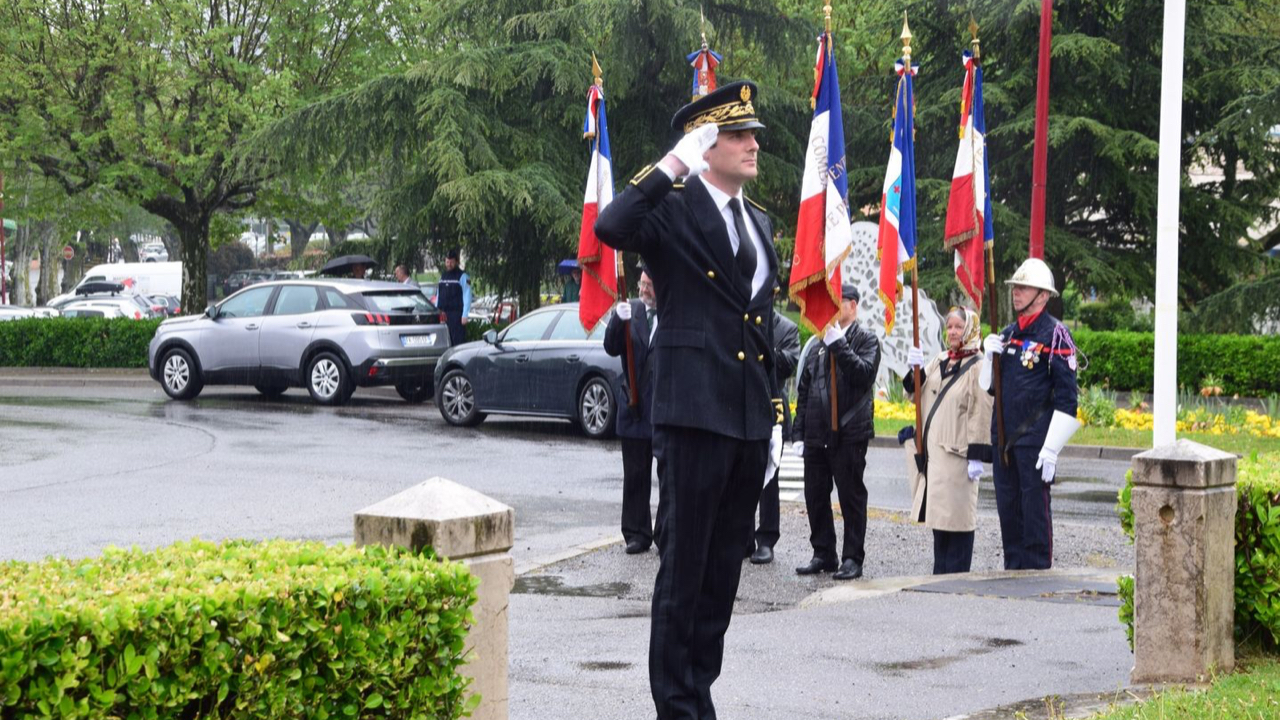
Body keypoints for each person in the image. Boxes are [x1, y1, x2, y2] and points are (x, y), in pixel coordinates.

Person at [594, 80, 784, 720]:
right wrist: (673, 161)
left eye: (752, 133)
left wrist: (774, 415)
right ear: (706, 144)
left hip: (746, 418)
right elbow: (610, 225)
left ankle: (699, 693)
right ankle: (676, 707)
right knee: (683, 572)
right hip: (692, 413)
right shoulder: (672, 210)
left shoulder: (758, 222)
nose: (753, 143)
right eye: (737, 134)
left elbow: (759, 327)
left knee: (722, 576)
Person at [980, 257, 1081, 570]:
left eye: (1024, 287)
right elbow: (990, 388)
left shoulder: (1055, 335)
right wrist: (988, 357)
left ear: (1043, 296)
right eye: (1015, 287)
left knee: (1034, 507)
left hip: (1035, 438)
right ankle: (1013, 566)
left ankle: (1037, 568)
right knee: (1007, 507)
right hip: (1004, 437)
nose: (1016, 292)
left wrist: (1051, 449)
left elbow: (1067, 398)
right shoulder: (1008, 334)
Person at [791, 284, 880, 580]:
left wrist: (839, 344)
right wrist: (798, 433)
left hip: (849, 432)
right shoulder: (818, 343)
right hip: (817, 433)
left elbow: (863, 374)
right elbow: (804, 390)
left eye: (837, 301)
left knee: (851, 497)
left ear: (853, 305)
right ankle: (823, 552)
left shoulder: (866, 339)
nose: (832, 307)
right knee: (815, 495)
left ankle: (852, 557)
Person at [900, 306, 993, 574]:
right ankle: (939, 580)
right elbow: (913, 393)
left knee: (959, 524)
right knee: (940, 525)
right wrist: (913, 369)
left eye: (958, 327)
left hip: (958, 458)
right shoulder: (940, 359)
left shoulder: (978, 366)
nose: (952, 332)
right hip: (934, 460)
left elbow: (981, 411)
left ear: (970, 329)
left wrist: (977, 454)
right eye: (949, 326)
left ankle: (956, 581)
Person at [603, 269, 659, 555]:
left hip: (663, 410)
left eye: (650, 285)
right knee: (635, 474)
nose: (644, 290)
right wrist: (616, 319)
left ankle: (666, 533)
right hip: (634, 406)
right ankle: (637, 532)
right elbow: (611, 347)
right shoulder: (632, 310)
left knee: (670, 477)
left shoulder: (671, 313)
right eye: (642, 284)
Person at [746, 311, 800, 565]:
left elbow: (788, 364)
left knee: (769, 479)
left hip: (772, 408)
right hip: (742, 406)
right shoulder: (742, 317)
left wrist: (765, 346)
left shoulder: (786, 328)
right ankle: (742, 537)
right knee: (740, 475)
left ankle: (766, 540)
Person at [435, 250, 472, 347]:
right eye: (447, 262)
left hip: (456, 315)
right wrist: (436, 310)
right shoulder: (443, 276)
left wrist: (465, 314)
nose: (449, 264)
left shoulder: (463, 276)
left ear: (456, 262)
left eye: (451, 262)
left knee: (457, 342)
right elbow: (438, 295)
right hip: (443, 315)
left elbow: (467, 295)